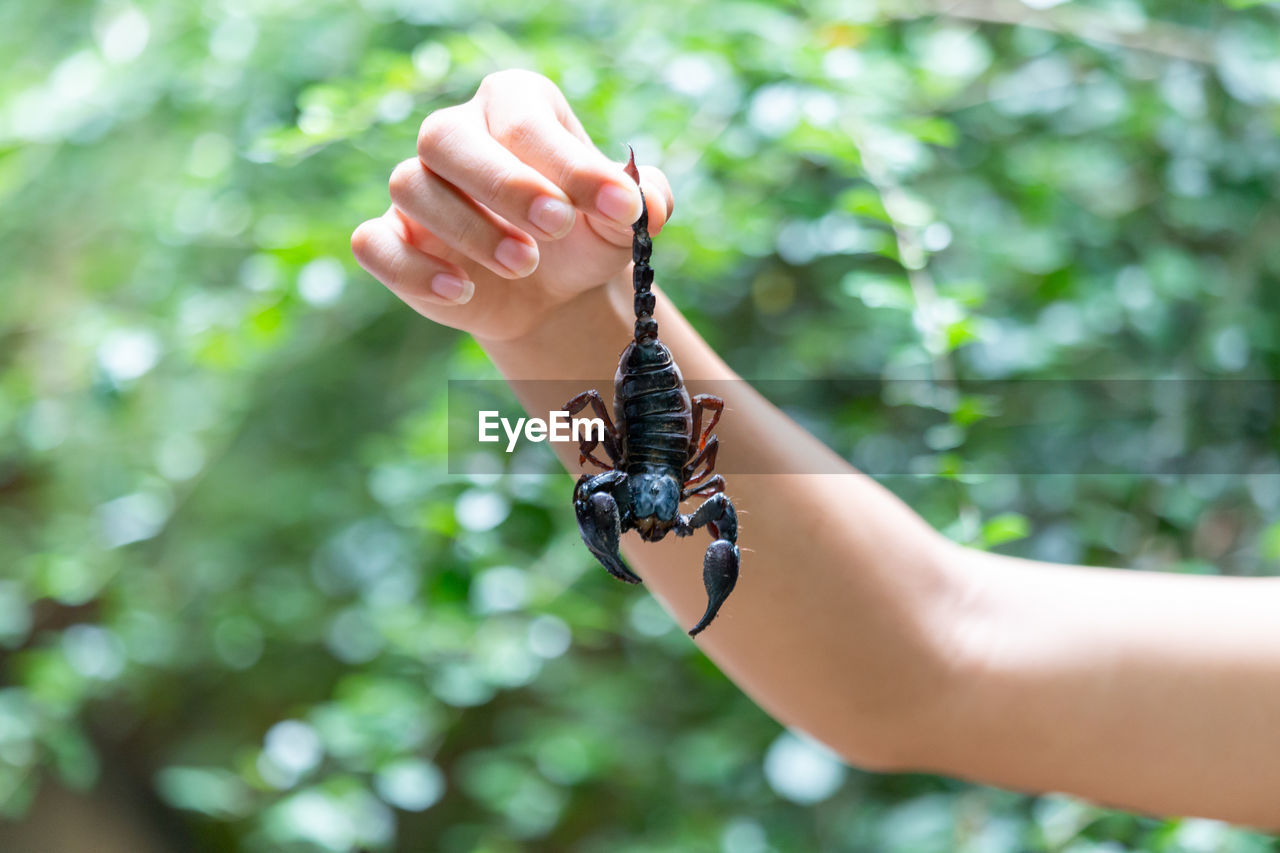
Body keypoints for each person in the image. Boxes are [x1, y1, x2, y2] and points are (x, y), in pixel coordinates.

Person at [351, 69, 1280, 830]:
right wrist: (557, 318)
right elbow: (935, 655)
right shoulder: (671, 480)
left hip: (658, 433)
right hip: (648, 401)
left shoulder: (666, 487)